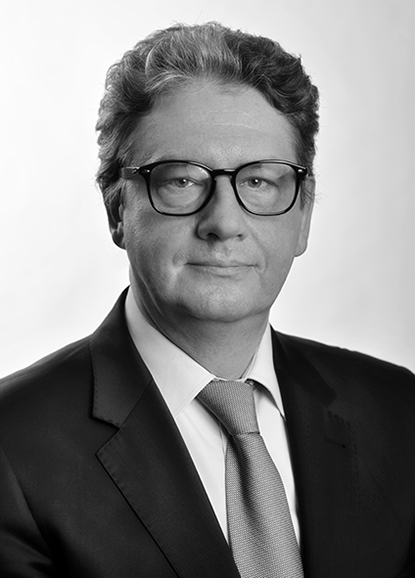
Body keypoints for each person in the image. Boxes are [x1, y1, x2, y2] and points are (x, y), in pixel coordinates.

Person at [0, 21, 414, 578]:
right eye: (182, 181)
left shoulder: (398, 412)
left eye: (259, 182)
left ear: (303, 215)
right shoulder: (12, 447)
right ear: (118, 209)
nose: (223, 223)